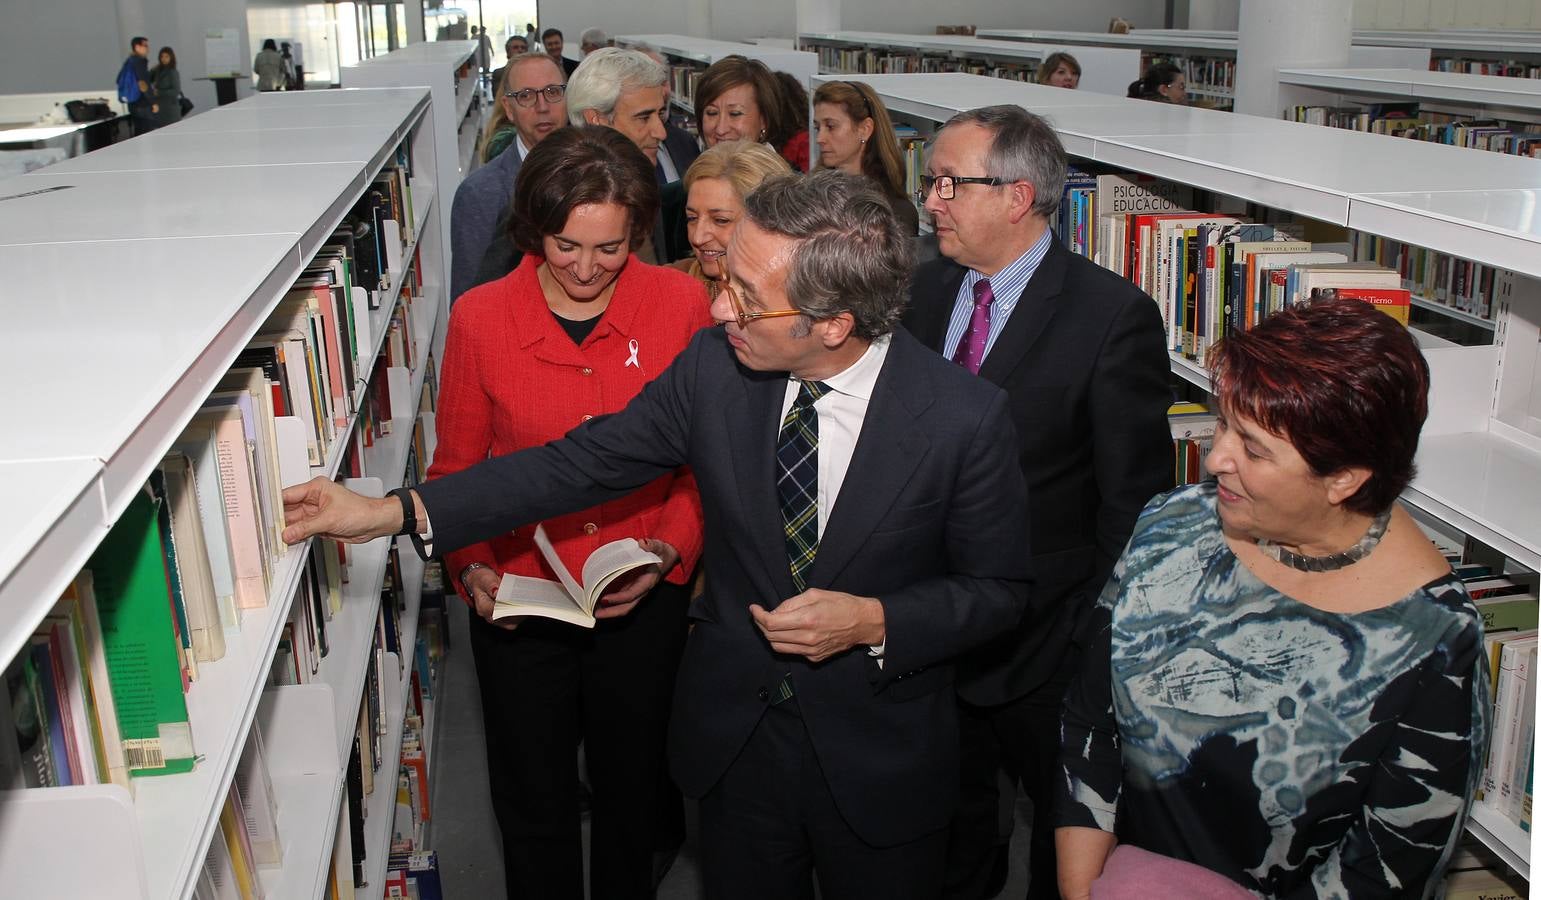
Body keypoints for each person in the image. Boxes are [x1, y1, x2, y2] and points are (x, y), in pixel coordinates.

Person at [280, 168, 1033, 900]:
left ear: (832, 324)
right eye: (724, 281)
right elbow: (580, 463)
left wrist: (875, 620)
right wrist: (391, 511)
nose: (716, 311)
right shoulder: (715, 369)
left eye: (746, 298)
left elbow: (998, 593)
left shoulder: (962, 420)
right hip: (737, 750)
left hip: (881, 759)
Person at [1056, 298, 1489, 900]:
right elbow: (1089, 727)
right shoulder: (1172, 525)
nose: (1214, 458)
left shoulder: (1436, 644)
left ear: (1345, 478)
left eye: (1254, 449)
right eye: (1223, 422)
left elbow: (1380, 874)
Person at [902, 104, 1173, 900]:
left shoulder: (1110, 316)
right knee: (948, 833)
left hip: (1045, 645)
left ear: (1017, 196)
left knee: (1060, 852)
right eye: (931, 182)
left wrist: (1087, 642)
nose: (932, 200)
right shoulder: (920, 294)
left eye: (949, 183)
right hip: (929, 626)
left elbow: (1133, 505)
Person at [439, 125, 711, 900]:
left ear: (638, 234)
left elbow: (700, 462)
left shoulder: (682, 303)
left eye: (611, 249)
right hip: (520, 599)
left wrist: (666, 552)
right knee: (533, 799)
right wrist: (473, 569)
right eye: (565, 246)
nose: (587, 269)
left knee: (637, 793)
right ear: (533, 229)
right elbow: (456, 469)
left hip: (640, 590)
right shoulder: (480, 317)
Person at [454, 51, 568, 301]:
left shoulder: (593, 172)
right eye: (526, 96)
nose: (542, 107)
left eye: (553, 92)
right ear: (509, 109)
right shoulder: (480, 193)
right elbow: (468, 303)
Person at [566, 48, 686, 263]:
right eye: (643, 117)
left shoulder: (641, 188)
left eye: (660, 114)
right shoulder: (551, 198)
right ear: (596, 120)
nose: (661, 132)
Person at [674, 140, 792, 298]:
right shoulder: (668, 285)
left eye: (720, 220)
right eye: (692, 218)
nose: (697, 237)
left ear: (770, 221)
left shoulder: (805, 295)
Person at [811, 80, 918, 235]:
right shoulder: (813, 194)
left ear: (865, 129)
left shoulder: (896, 213)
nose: (819, 138)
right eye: (817, 128)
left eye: (831, 126)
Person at [695, 56, 804, 170]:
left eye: (735, 113)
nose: (721, 129)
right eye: (712, 113)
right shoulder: (691, 182)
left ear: (764, 119)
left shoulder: (784, 185)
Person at [633, 45, 702, 186]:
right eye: (649, 83)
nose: (662, 92)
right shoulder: (615, 153)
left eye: (663, 81)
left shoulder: (685, 141)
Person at [117, 37, 154, 136]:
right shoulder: (140, 61)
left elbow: (118, 79)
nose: (148, 48)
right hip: (143, 104)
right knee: (148, 133)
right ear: (137, 47)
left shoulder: (129, 61)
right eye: (145, 45)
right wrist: (153, 102)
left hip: (132, 103)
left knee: (139, 132)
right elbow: (144, 84)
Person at [149, 46, 183, 128]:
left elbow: (176, 91)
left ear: (171, 57)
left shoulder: (173, 71)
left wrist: (159, 92)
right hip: (160, 108)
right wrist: (152, 70)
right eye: (162, 56)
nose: (163, 59)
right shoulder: (158, 70)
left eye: (166, 56)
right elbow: (148, 80)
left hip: (170, 110)